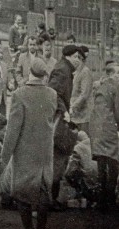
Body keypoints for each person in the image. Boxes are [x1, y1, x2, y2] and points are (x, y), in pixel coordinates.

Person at [1, 58, 57, 229]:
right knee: (43, 190)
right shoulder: (52, 94)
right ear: (43, 75)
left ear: (30, 73)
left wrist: (5, 155)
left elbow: (13, 130)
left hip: (25, 151)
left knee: (22, 191)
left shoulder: (19, 94)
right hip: (44, 150)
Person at [48, 45, 81, 209]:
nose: (78, 61)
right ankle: (50, 200)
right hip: (58, 119)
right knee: (57, 157)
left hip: (59, 117)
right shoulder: (63, 70)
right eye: (77, 57)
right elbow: (53, 92)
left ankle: (50, 198)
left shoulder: (64, 69)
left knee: (58, 157)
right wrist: (64, 111)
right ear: (69, 56)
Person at [89, 62, 119, 212]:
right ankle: (110, 199)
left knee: (101, 163)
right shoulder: (115, 85)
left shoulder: (99, 85)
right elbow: (118, 109)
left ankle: (101, 200)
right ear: (112, 73)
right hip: (109, 127)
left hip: (96, 127)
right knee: (114, 162)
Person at [70, 46, 93, 135]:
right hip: (75, 114)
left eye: (77, 57)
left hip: (83, 115)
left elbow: (84, 95)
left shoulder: (85, 72)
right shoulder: (75, 71)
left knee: (83, 140)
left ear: (81, 59)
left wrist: (73, 107)